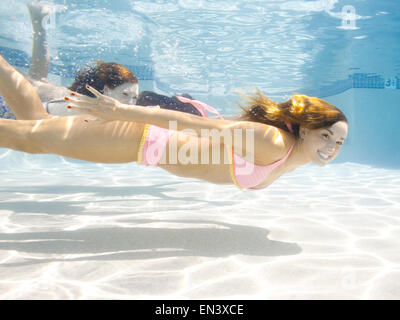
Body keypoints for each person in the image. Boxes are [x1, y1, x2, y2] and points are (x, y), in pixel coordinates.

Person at [0, 53, 348, 190]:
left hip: (142, 144)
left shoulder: (290, 160)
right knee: (30, 137)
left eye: (338, 143)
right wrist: (122, 112)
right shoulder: (272, 144)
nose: (331, 148)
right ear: (305, 129)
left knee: (34, 123)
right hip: (138, 136)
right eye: (326, 137)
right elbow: (195, 126)